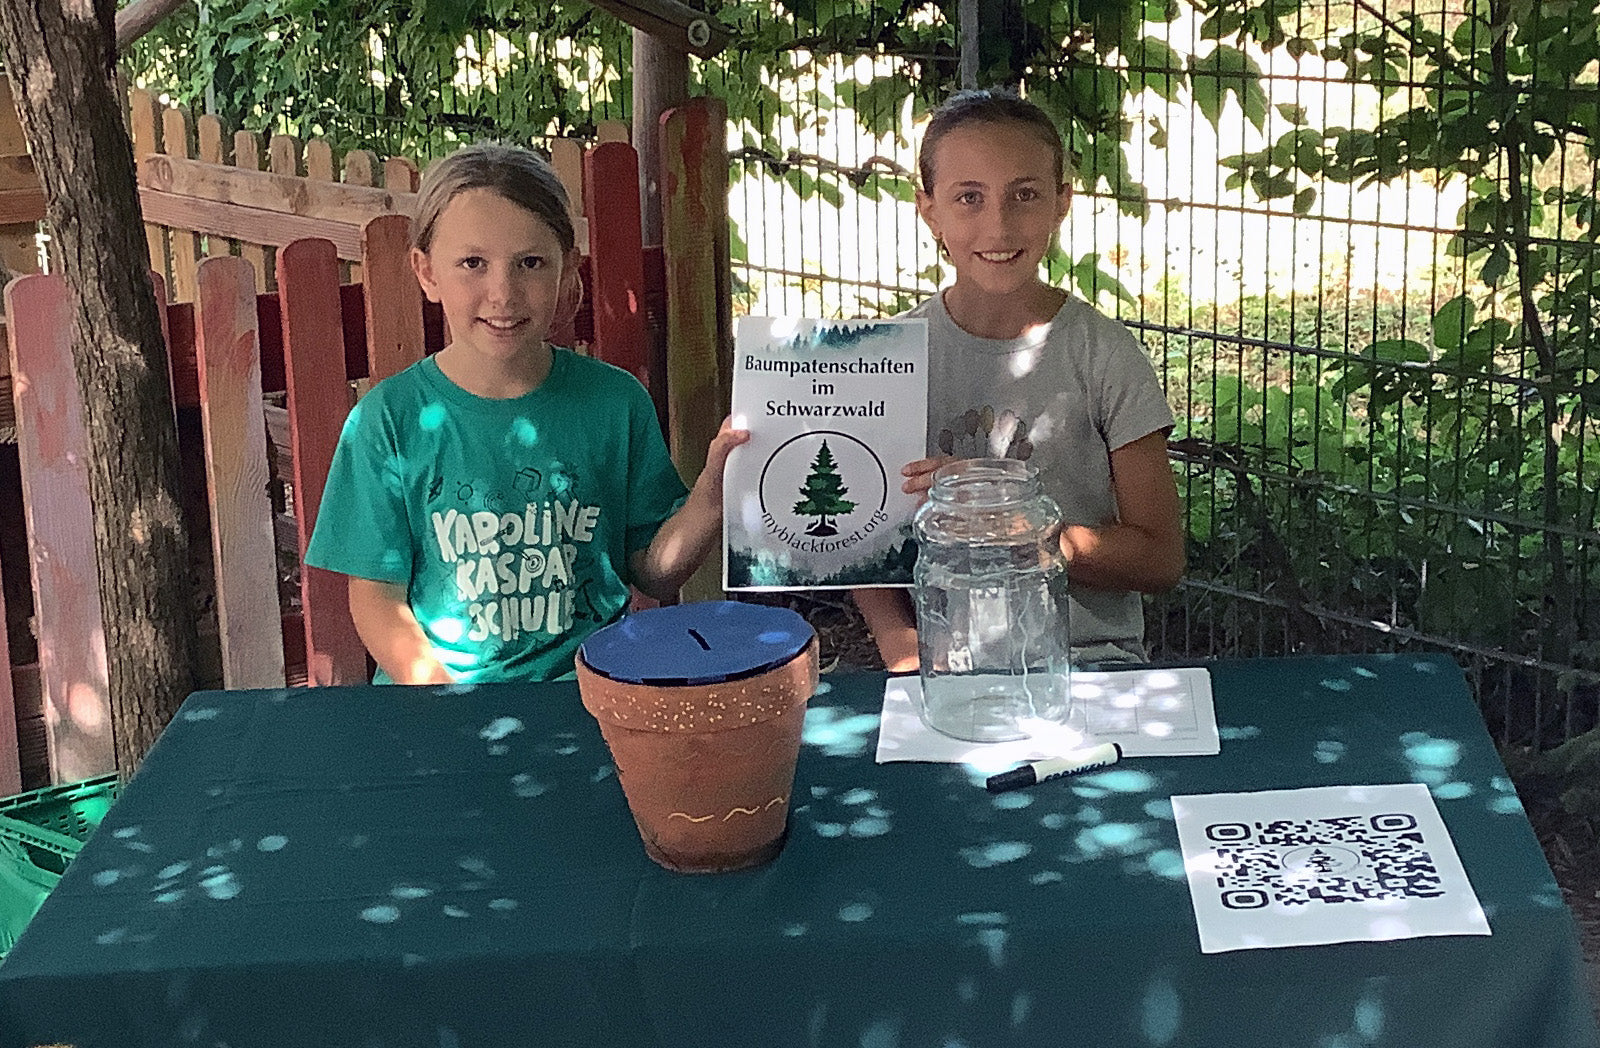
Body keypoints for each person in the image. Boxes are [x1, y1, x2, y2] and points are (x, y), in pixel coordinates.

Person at [306, 142, 747, 684]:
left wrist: (710, 499)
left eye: (530, 263)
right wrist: (449, 703)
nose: (503, 292)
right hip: (442, 706)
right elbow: (376, 601)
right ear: (426, 272)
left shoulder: (614, 401)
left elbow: (655, 572)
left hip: (596, 694)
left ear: (567, 269)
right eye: (473, 263)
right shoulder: (389, 421)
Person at [854, 89, 1184, 669]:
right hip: (943, 669)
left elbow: (1160, 559)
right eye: (969, 198)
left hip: (1091, 662)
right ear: (928, 209)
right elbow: (856, 527)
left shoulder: (1103, 353)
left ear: (1062, 202)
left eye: (1024, 195)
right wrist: (900, 645)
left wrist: (1012, 520)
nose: (999, 225)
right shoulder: (887, 360)